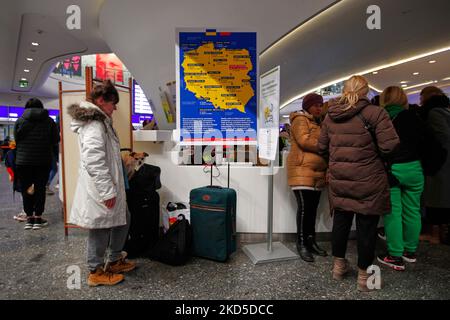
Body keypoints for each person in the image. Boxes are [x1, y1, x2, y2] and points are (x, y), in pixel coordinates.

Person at [318, 75, 399, 291]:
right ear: (366, 91)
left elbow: (321, 146)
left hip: (340, 179)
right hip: (369, 180)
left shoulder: (331, 115)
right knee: (366, 227)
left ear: (344, 90)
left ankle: (338, 267)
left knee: (341, 223)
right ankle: (364, 277)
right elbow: (390, 146)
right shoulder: (376, 113)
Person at [68, 80, 135, 287]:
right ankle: (95, 271)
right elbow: (94, 159)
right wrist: (107, 191)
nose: (115, 107)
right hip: (101, 188)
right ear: (100, 100)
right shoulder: (95, 124)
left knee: (124, 218)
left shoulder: (101, 122)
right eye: (112, 103)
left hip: (110, 184)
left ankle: (114, 259)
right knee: (100, 228)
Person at [376, 86, 425, 270]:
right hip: (415, 169)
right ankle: (410, 251)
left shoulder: (384, 119)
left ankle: (395, 255)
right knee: (413, 210)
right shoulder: (415, 117)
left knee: (393, 212)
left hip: (393, 169)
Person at [287, 93, 328, 262]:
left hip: (317, 172)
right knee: (305, 209)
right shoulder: (300, 119)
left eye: (320, 104)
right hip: (302, 170)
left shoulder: (318, 122)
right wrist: (325, 146)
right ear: (307, 106)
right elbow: (304, 141)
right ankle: (302, 243)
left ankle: (311, 241)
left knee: (312, 210)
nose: (319, 107)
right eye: (315, 105)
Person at [14, 98, 59, 230]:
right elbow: (56, 139)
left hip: (23, 161)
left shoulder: (20, 120)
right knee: (40, 188)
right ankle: (38, 218)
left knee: (26, 189)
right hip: (42, 160)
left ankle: (29, 219)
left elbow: (17, 139)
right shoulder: (49, 121)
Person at [419, 86, 450, 245]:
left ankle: (435, 234)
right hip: (444, 163)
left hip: (439, 164)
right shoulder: (445, 110)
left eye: (421, 96)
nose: (419, 100)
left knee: (435, 199)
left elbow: (443, 137)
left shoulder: (433, 112)